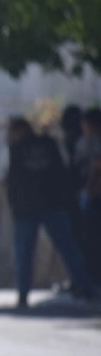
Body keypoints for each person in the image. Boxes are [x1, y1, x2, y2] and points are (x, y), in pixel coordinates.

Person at [2, 117, 95, 308]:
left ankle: (23, 294)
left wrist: (13, 203)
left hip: (26, 208)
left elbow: (2, 176)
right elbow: (65, 169)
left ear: (19, 130)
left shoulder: (12, 149)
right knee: (68, 247)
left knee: (24, 253)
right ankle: (85, 287)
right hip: (53, 204)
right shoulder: (50, 144)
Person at [74, 108, 101, 285]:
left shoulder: (95, 141)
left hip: (94, 195)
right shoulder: (83, 142)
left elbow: (97, 166)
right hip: (88, 195)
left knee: (94, 238)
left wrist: (88, 191)